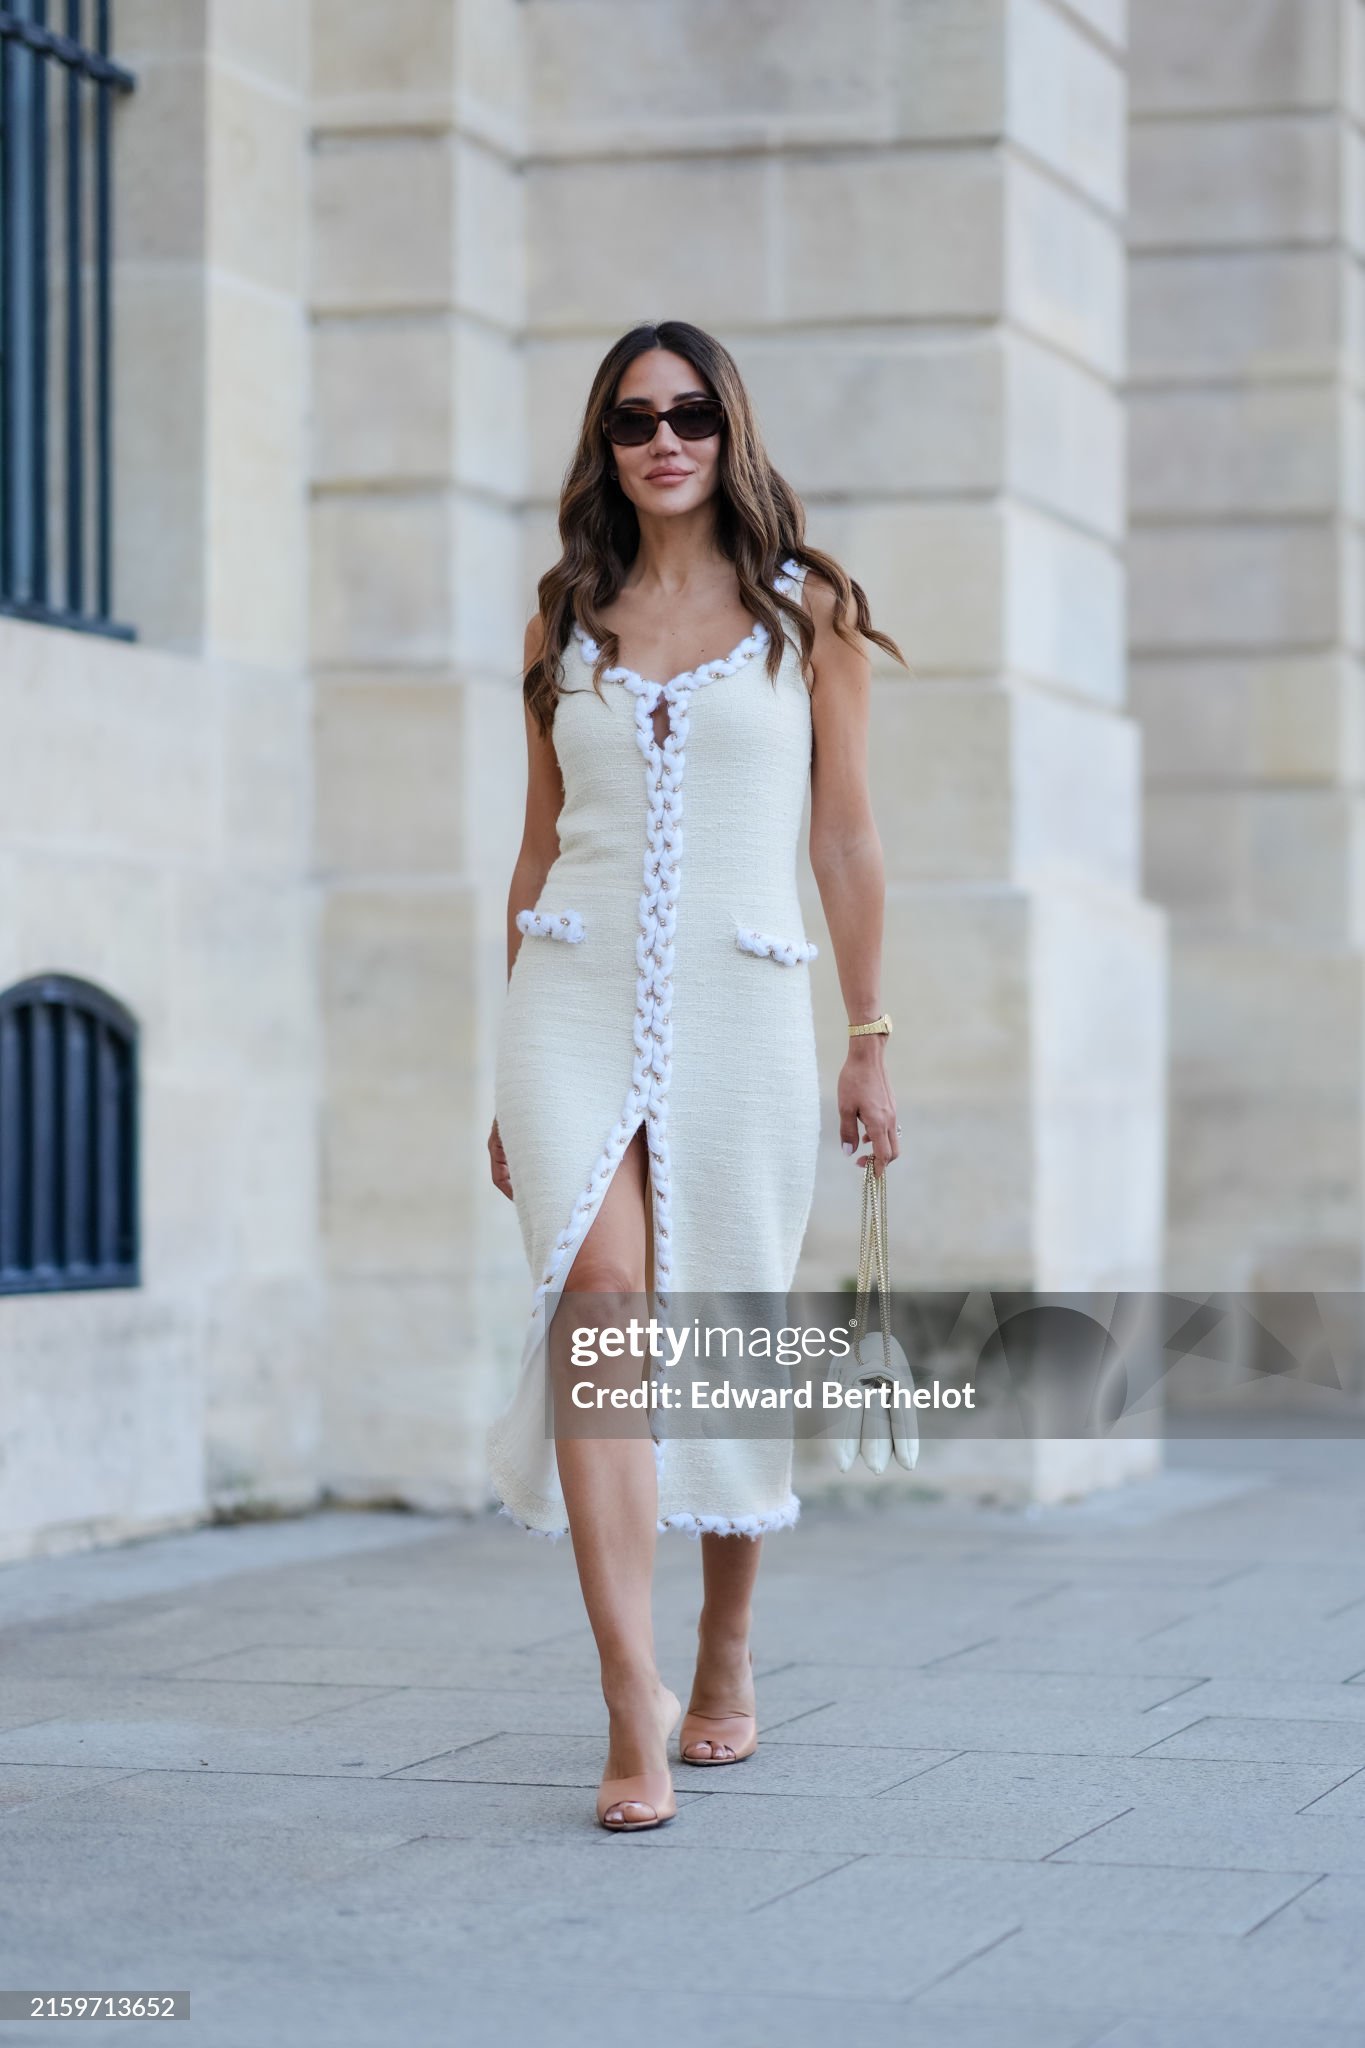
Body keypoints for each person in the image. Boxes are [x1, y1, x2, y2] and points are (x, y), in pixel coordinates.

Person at [486, 319, 906, 1831]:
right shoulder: (562, 617)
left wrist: (868, 1038)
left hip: (745, 1003)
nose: (663, 441)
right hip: (569, 999)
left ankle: (726, 1642)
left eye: (688, 415)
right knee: (597, 1308)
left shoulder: (808, 613)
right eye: (631, 420)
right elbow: (536, 847)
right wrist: (501, 1070)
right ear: (603, 448)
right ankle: (630, 1702)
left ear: (730, 431)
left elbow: (842, 837)